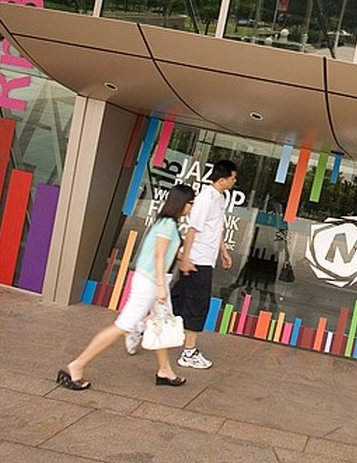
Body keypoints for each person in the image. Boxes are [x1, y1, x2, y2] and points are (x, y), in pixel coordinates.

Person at [56, 184, 196, 390]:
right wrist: (160, 287)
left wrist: (184, 259)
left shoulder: (168, 223)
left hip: (153, 281)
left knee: (161, 324)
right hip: (150, 283)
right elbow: (158, 256)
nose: (191, 208)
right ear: (182, 203)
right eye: (190, 203)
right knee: (122, 326)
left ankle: (165, 370)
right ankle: (76, 366)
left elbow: (165, 253)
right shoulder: (167, 225)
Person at [172, 159, 237, 369]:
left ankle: (142, 325)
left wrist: (223, 251)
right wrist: (186, 258)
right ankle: (188, 352)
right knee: (197, 304)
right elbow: (193, 229)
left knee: (177, 299)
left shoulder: (220, 198)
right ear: (222, 179)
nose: (235, 181)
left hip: (206, 259)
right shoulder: (205, 199)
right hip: (197, 261)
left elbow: (215, 227)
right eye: (233, 177)